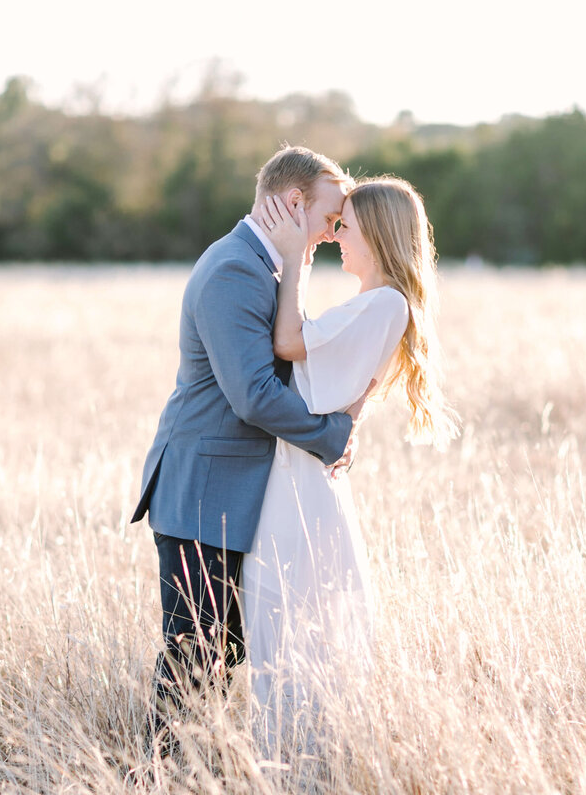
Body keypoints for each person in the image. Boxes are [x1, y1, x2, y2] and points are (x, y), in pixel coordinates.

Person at [130, 146, 371, 755]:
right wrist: (332, 437)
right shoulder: (236, 268)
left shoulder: (271, 267)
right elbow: (255, 397)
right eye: (331, 218)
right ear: (294, 204)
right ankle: (156, 776)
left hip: (231, 496)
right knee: (195, 655)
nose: (334, 231)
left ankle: (190, 769)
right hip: (202, 493)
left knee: (224, 646)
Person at [243, 176, 459, 762]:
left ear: (379, 236)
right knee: (282, 620)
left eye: (348, 227)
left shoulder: (385, 303)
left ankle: (298, 760)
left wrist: (293, 258)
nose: (338, 236)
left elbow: (288, 342)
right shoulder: (375, 304)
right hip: (300, 473)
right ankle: (287, 757)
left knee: (291, 620)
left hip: (302, 483)